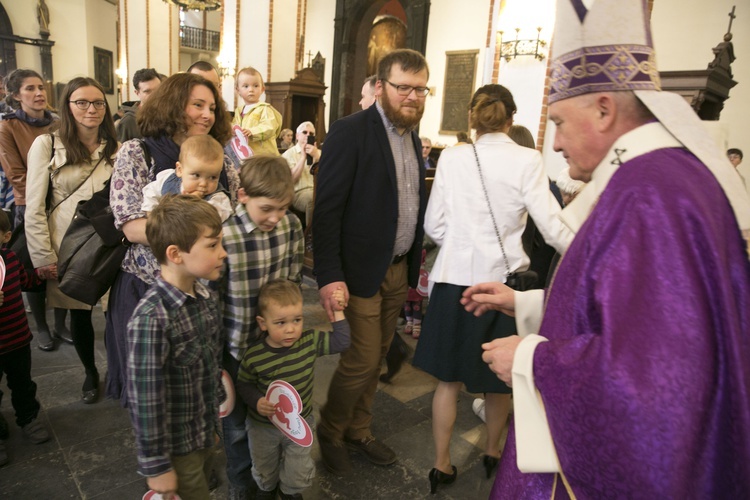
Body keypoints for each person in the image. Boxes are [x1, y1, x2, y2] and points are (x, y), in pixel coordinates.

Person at [462, 0, 750, 497]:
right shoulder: (658, 180)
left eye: (558, 122)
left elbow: (654, 381)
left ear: (603, 109)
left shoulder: (651, 195)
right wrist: (528, 304)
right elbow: (632, 317)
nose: (553, 144)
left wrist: (530, 360)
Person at [412, 84, 572, 494]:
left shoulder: (455, 157)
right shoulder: (527, 159)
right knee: (499, 380)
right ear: (511, 119)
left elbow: (434, 227)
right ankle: (493, 451)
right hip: (501, 287)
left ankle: (441, 463)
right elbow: (552, 225)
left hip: (453, 282)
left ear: (472, 118)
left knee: (447, 382)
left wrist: (463, 241)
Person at [312, 48, 430, 475]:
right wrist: (328, 276)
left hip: (397, 268)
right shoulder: (351, 132)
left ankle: (358, 430)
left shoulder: (411, 135)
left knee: (377, 358)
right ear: (381, 86)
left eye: (420, 89)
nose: (413, 97)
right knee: (360, 359)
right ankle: (329, 430)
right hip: (359, 271)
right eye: (404, 88)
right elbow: (326, 211)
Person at [106, 72, 239, 408]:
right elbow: (132, 227)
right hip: (149, 288)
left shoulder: (218, 155)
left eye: (212, 107)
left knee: (198, 386)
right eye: (198, 105)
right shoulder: (137, 152)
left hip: (204, 292)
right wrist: (196, 223)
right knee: (153, 394)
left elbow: (235, 209)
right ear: (172, 104)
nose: (207, 115)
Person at [127, 195, 227, 500]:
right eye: (212, 245)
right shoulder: (150, 318)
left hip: (204, 432)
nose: (223, 253)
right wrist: (156, 466)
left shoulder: (205, 298)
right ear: (176, 253)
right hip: (177, 449)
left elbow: (208, 367)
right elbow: (145, 400)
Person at [25, 77, 118, 404]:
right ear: (67, 106)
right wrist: (43, 256)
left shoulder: (114, 146)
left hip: (108, 244)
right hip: (67, 243)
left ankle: (116, 373)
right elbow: (34, 204)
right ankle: (90, 372)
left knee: (113, 314)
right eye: (82, 102)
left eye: (98, 103)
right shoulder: (47, 145)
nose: (91, 109)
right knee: (78, 313)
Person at [217, 155, 304, 499]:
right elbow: (214, 298)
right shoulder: (223, 235)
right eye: (266, 208)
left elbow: (294, 279)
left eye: (282, 208)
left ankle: (277, 479)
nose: (275, 217)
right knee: (237, 426)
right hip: (239, 349)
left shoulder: (291, 226)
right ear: (242, 195)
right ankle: (242, 482)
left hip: (279, 348)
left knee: (279, 414)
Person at [235, 279, 350, 500]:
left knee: (298, 468)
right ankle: (267, 489)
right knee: (264, 466)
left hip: (300, 423)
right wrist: (257, 401)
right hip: (263, 427)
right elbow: (244, 383)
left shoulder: (309, 342)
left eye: (297, 320)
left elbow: (342, 342)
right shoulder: (255, 355)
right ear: (263, 323)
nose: (291, 329)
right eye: (280, 322)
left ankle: (288, 492)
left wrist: (337, 312)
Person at [0, 68, 69, 351]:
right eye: (30, 89)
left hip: (61, 203)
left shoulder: (57, 123)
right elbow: (16, 173)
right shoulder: (8, 127)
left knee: (63, 263)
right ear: (16, 95)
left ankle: (61, 323)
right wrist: (43, 198)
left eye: (41, 87)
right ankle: (41, 326)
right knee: (35, 267)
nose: (39, 93)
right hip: (28, 204)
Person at [0, 209, 51, 467]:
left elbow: (24, 280)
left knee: (22, 384)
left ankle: (29, 418)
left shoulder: (9, 258)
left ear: (6, 236)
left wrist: (41, 276)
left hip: (17, 340)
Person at [141, 134, 232, 221]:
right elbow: (150, 191)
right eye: (196, 175)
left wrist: (193, 204)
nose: (204, 183)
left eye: (213, 177)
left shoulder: (218, 199)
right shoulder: (168, 180)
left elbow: (207, 223)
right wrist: (151, 213)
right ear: (180, 170)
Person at [232, 67, 282, 157]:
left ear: (262, 89)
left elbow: (269, 127)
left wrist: (252, 132)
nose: (251, 89)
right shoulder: (238, 111)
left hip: (265, 157)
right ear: (238, 90)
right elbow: (235, 127)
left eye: (255, 86)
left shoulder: (264, 109)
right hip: (247, 157)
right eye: (246, 86)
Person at [281, 121, 319, 227]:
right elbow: (291, 180)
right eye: (305, 132)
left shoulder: (319, 153)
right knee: (312, 199)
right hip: (298, 193)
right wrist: (303, 157)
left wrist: (317, 156)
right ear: (297, 136)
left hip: (319, 190)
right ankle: (311, 236)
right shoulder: (288, 154)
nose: (308, 135)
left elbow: (331, 175)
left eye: (311, 134)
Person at [116, 68, 162, 143]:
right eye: (147, 91)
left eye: (158, 90)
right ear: (137, 93)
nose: (154, 95)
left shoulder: (168, 115)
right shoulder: (129, 120)